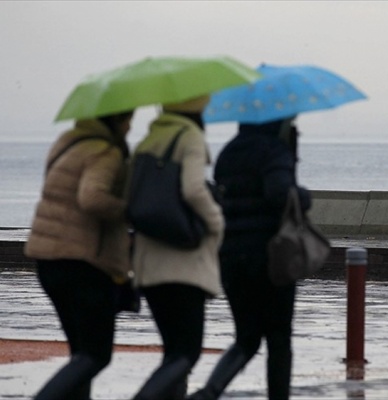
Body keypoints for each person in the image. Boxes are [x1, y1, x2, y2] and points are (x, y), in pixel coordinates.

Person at [188, 117, 309, 400]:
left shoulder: (229, 152)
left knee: (246, 337)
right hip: (269, 257)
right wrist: (303, 196)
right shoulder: (274, 150)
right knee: (279, 338)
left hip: (231, 256)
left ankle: (209, 392)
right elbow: (280, 193)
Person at [24, 110, 135, 400]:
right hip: (82, 262)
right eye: (127, 119)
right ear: (114, 121)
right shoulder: (104, 151)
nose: (130, 126)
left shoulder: (68, 142)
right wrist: (128, 209)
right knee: (97, 355)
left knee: (81, 355)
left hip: (47, 259)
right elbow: (92, 197)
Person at [130, 96, 224, 400]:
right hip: (182, 265)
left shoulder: (148, 139)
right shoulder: (190, 137)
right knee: (187, 353)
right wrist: (217, 222)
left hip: (148, 265)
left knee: (173, 352)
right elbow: (193, 188)